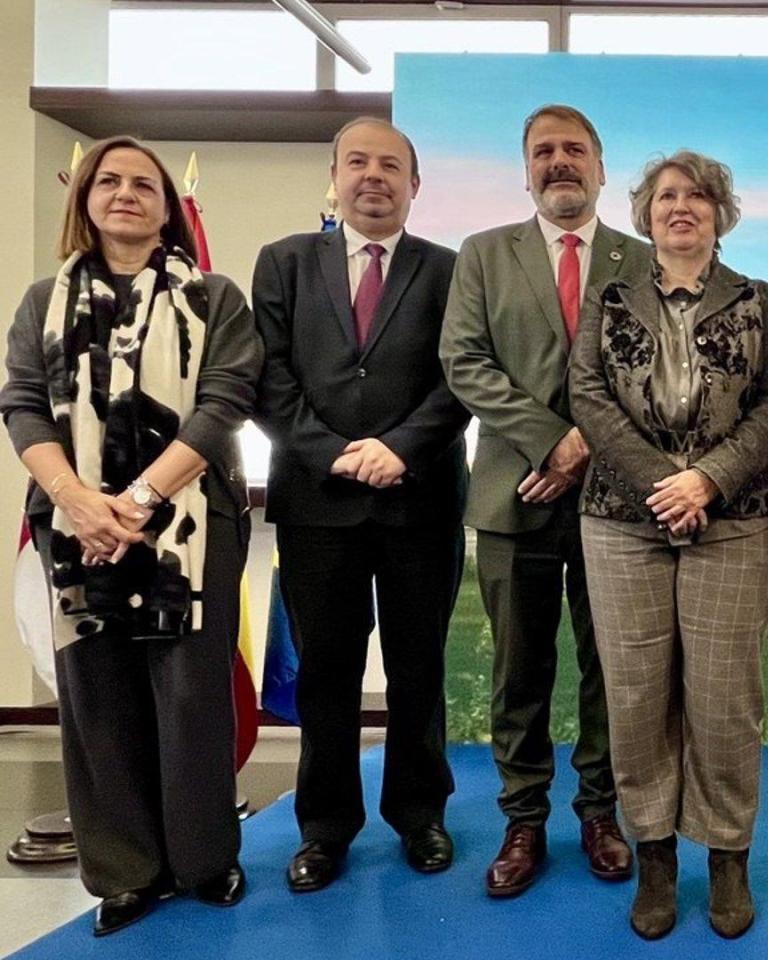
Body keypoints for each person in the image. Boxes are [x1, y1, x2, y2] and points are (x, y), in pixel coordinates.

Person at [0, 136, 261, 936]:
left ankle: (205, 861)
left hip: (188, 528)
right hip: (75, 527)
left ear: (167, 206)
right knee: (97, 700)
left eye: (142, 183)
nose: (125, 193)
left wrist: (140, 498)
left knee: (191, 700)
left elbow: (225, 402)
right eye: (107, 181)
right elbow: (22, 404)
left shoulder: (213, 297)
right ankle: (124, 871)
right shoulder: (44, 302)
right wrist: (78, 500)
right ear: (84, 198)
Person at [569, 150, 768, 941]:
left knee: (724, 698)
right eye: (667, 195)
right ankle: (656, 855)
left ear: (721, 213)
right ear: (646, 212)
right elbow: (588, 398)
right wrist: (664, 483)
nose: (681, 206)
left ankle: (727, 855)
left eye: (698, 196)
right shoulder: (611, 298)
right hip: (621, 520)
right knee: (635, 697)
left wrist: (706, 482)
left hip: (734, 518)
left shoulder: (763, 301)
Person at [252, 117, 469, 892]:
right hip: (318, 504)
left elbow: (461, 379)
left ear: (415, 185)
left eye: (391, 166)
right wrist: (337, 454)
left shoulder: (451, 269)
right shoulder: (283, 263)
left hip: (421, 501)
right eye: (358, 163)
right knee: (326, 676)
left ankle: (421, 816)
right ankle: (325, 828)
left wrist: (399, 448)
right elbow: (269, 377)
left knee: (419, 669)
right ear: (334, 177)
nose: (373, 176)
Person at [441, 104, 649, 896]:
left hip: (619, 501)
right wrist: (549, 441)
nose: (559, 162)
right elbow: (465, 362)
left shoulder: (640, 257)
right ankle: (524, 819)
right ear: (526, 169)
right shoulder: (485, 255)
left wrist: (587, 445)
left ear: (601, 166)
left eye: (574, 150)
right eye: (543, 152)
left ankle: (601, 813)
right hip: (513, 495)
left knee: (611, 668)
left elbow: (650, 368)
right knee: (519, 671)